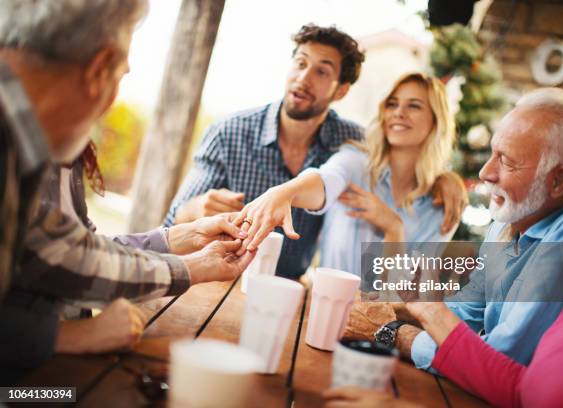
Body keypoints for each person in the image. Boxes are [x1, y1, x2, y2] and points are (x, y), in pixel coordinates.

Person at [325, 63, 563, 408]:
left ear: (558, 181)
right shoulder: (508, 220)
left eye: (505, 161)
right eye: (491, 152)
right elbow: (465, 311)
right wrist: (390, 310)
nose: (484, 172)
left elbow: (501, 357)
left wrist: (391, 331)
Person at [0, 0, 253, 379]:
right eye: (123, 74)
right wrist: (59, 336)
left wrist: (180, 244)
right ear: (99, 70)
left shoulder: (29, 141)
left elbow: (62, 249)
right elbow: (63, 257)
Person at [164, 24, 468, 279]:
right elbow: (172, 223)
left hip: (290, 289)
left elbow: (393, 153)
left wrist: (443, 178)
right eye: (300, 63)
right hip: (219, 278)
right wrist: (198, 207)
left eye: (321, 72)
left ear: (341, 91)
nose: (303, 77)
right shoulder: (229, 133)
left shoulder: (349, 140)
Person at [233, 72, 458, 279]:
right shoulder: (355, 163)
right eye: (392, 104)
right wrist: (286, 192)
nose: (398, 112)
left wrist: (394, 228)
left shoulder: (440, 207)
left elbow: (405, 297)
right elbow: (324, 180)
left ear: (436, 121)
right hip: (322, 309)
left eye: (414, 106)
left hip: (390, 322)